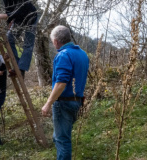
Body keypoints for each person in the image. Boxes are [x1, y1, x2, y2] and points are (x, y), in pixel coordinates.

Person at [41, 25, 89, 160]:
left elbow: (61, 82)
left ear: (56, 41)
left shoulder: (63, 55)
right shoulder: (82, 54)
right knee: (60, 136)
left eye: (52, 41)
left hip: (64, 103)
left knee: (62, 140)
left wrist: (48, 103)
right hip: (77, 102)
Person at [0, 0, 38, 78]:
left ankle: (21, 69)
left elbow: (20, 10)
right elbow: (9, 10)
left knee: (28, 45)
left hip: (31, 17)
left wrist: (3, 16)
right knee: (9, 39)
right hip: (18, 19)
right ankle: (17, 65)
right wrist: (8, 22)